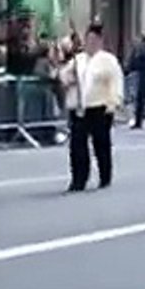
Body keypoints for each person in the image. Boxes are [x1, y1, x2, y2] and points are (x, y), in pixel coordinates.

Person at [57, 24, 124, 191]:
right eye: (88, 40)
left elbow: (115, 82)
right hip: (79, 107)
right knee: (77, 145)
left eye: (94, 40)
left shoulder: (108, 60)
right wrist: (68, 77)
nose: (91, 43)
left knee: (101, 143)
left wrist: (113, 103)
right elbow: (63, 77)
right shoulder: (78, 60)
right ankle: (78, 179)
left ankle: (105, 175)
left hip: (99, 106)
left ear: (100, 41)